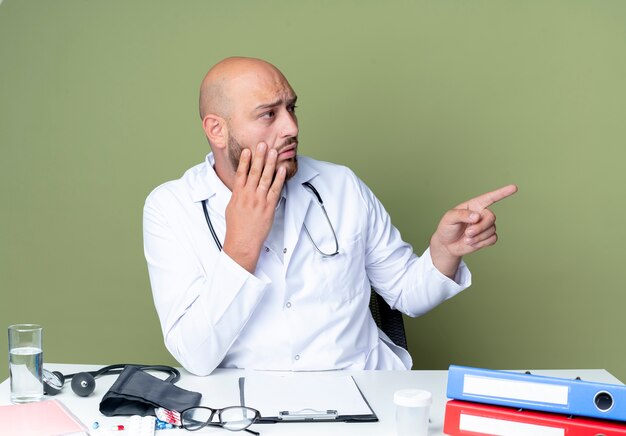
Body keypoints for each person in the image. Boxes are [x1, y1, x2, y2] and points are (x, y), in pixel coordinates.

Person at [143, 57, 517, 376]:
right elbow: (195, 356)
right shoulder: (171, 208)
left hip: (363, 392)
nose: (291, 127)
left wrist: (445, 252)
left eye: (291, 108)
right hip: (248, 404)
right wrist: (243, 244)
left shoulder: (341, 186)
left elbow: (407, 293)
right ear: (217, 130)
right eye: (268, 115)